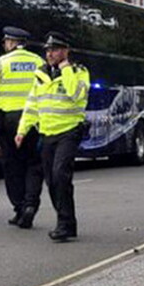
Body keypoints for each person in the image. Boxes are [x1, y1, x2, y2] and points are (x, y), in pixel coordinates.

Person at [16, 32, 90, 242]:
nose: (50, 54)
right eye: (48, 50)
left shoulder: (79, 71)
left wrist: (65, 70)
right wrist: (22, 130)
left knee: (60, 175)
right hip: (47, 132)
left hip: (69, 130)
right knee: (51, 180)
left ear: (65, 51)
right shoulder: (40, 73)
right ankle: (67, 222)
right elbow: (32, 104)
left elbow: (76, 95)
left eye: (55, 49)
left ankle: (64, 224)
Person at [0, 27, 45, 229]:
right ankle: (30, 205)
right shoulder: (39, 62)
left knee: (12, 166)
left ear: (10, 42)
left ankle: (19, 207)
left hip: (8, 121)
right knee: (34, 165)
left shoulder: (0, 64)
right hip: (34, 120)